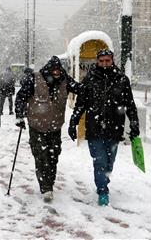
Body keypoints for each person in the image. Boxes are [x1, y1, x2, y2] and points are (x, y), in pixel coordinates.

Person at [68, 49, 140, 206]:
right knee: (100, 161)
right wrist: (73, 122)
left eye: (108, 61)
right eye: (102, 61)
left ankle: (103, 182)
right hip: (94, 129)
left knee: (109, 162)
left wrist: (134, 123)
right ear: (97, 61)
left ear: (112, 60)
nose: (105, 64)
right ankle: (102, 190)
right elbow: (81, 104)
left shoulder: (122, 79)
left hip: (114, 129)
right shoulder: (90, 79)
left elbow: (130, 104)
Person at [15, 56, 82, 202]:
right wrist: (19, 116)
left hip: (55, 127)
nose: (56, 73)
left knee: (53, 156)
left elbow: (80, 90)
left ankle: (49, 182)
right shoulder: (35, 79)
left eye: (58, 70)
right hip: (37, 126)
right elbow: (21, 97)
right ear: (48, 70)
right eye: (54, 71)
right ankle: (45, 187)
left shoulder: (65, 80)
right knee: (41, 156)